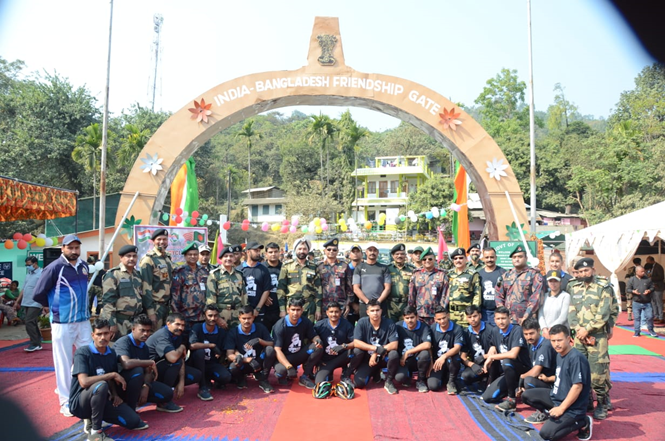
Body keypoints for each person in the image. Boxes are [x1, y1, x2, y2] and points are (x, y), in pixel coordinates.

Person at [33, 234, 92, 417]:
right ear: (63, 248)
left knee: (88, 356)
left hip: (83, 321)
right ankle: (65, 401)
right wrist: (54, 307)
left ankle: (75, 389)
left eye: (76, 248)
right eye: (70, 248)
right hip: (63, 322)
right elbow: (38, 294)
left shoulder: (83, 266)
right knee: (63, 362)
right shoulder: (54, 268)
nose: (74, 251)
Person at [70, 319, 146, 441]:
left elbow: (111, 380)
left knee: (133, 422)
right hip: (80, 402)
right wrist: (111, 375)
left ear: (111, 334)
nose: (102, 337)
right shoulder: (83, 352)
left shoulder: (111, 353)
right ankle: (95, 431)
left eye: (106, 333)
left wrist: (115, 395)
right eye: (99, 334)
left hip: (103, 397)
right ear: (92, 335)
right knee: (100, 385)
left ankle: (98, 415)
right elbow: (84, 382)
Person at [521, 325, 593, 441]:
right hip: (557, 398)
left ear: (569, 339)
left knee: (547, 434)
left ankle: (582, 421)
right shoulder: (560, 354)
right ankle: (551, 415)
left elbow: (577, 386)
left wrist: (561, 408)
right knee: (527, 396)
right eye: (553, 341)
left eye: (559, 340)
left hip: (573, 407)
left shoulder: (576, 358)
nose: (556, 344)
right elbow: (563, 376)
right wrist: (548, 379)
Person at [567, 257, 613, 420]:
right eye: (580, 271)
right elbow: (571, 309)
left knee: (597, 373)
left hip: (596, 336)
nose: (583, 273)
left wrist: (587, 329)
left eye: (586, 270)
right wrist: (577, 328)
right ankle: (586, 400)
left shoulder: (603, 287)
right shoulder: (574, 286)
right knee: (580, 370)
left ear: (593, 270)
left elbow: (604, 313)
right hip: (579, 337)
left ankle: (601, 403)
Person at [114, 315, 178, 413]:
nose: (146, 334)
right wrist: (149, 362)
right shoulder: (123, 342)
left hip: (139, 383)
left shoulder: (144, 346)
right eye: (142, 330)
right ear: (133, 329)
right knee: (137, 370)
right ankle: (131, 409)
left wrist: (146, 386)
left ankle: (138, 399)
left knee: (167, 393)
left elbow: (148, 370)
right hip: (121, 385)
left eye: (148, 331)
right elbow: (126, 363)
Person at [101, 245, 156, 341]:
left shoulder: (138, 275)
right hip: (119, 320)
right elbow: (108, 301)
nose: (132, 258)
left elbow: (143, 296)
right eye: (128, 256)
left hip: (135, 320)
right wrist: (112, 323)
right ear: (121, 258)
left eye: (134, 256)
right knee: (118, 348)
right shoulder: (113, 274)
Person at [481, 307, 531, 412]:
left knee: (507, 361)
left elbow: (513, 354)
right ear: (494, 320)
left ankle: (511, 399)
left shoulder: (517, 330)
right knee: (488, 397)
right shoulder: (495, 331)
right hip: (506, 372)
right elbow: (493, 344)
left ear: (509, 318)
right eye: (498, 319)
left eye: (503, 318)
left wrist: (491, 357)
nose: (501, 321)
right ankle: (512, 386)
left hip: (521, 369)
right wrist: (492, 348)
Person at [146, 313, 203, 403]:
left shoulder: (176, 334)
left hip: (164, 366)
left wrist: (181, 382)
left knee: (196, 375)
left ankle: (171, 388)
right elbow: (173, 358)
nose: (180, 328)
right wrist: (182, 347)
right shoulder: (163, 335)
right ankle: (165, 399)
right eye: (177, 324)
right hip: (150, 372)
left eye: (183, 325)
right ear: (168, 324)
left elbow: (180, 358)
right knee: (174, 363)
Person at [347, 299, 400, 394]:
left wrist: (376, 353)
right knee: (359, 384)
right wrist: (375, 348)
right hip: (368, 359)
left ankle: (389, 381)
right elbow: (356, 342)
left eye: (377, 310)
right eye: (372, 311)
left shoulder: (389, 323)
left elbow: (394, 344)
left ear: (381, 311)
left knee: (394, 354)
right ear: (367, 312)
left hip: (384, 357)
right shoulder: (362, 322)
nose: (375, 313)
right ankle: (375, 373)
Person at [271, 296, 323, 389]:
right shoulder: (280, 325)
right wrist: (288, 366)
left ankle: (305, 376)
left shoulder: (305, 321)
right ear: (288, 310)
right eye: (293, 309)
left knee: (317, 347)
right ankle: (284, 374)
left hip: (298, 354)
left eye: (298, 310)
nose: (295, 313)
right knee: (281, 371)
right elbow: (277, 350)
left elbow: (313, 336)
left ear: (302, 310)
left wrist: (317, 340)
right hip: (283, 357)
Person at [224, 305, 276, 393]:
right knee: (233, 367)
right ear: (239, 318)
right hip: (244, 363)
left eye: (249, 318)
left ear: (253, 317)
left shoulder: (260, 327)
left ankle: (264, 379)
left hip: (259, 362)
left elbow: (271, 344)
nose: (246, 321)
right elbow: (229, 354)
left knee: (270, 350)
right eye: (244, 318)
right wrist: (247, 360)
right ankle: (241, 378)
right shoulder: (233, 332)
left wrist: (259, 341)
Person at [188, 305, 232, 400]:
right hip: (197, 364)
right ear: (204, 316)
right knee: (200, 352)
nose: (213, 318)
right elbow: (192, 345)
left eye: (216, 315)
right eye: (210, 315)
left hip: (212, 363)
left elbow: (226, 350)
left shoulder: (221, 332)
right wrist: (211, 345)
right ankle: (202, 387)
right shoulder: (197, 327)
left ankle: (209, 379)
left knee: (226, 377)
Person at [519, 318, 557, 424]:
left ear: (539, 330)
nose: (528, 337)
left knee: (528, 381)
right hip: (545, 381)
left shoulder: (545, 346)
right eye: (526, 334)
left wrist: (521, 378)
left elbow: (535, 371)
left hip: (554, 385)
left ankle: (544, 411)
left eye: (531, 333)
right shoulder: (532, 345)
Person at [495, 245, 545, 325]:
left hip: (527, 321)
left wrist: (526, 316)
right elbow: (498, 294)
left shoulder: (534, 275)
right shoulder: (506, 275)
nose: (517, 259)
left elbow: (536, 298)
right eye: (514, 257)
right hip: (508, 321)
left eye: (520, 257)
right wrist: (503, 313)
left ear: (526, 258)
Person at [277, 238, 322, 323]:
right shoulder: (287, 266)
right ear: (295, 250)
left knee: (308, 333)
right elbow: (281, 289)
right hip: (292, 307)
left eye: (304, 249)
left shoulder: (313, 267)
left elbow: (318, 290)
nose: (302, 251)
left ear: (308, 251)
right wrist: (282, 309)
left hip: (309, 307)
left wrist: (318, 309)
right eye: (299, 249)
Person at [171, 243, 208, 341]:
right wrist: (177, 317)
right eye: (190, 254)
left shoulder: (204, 271)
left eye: (195, 254)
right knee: (185, 344)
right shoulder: (180, 272)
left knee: (199, 345)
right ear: (185, 256)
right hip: (186, 317)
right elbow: (175, 296)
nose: (193, 256)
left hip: (202, 316)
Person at [460, 305, 500, 392]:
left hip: (490, 363)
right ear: (466, 318)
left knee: (494, 362)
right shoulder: (465, 333)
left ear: (480, 315)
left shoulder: (491, 330)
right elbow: (462, 357)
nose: (473, 319)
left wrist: (484, 357)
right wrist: (472, 365)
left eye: (475, 316)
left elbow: (496, 351)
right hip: (477, 364)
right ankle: (481, 378)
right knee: (465, 377)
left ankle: (489, 379)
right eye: (469, 317)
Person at [139, 228, 174, 327]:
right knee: (154, 336)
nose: (162, 242)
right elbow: (146, 287)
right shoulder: (148, 260)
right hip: (155, 307)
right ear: (153, 241)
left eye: (164, 239)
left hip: (166, 306)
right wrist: (150, 312)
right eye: (159, 239)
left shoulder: (167, 258)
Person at [313, 302, 355, 384]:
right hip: (325, 360)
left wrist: (343, 346)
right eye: (331, 312)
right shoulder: (319, 325)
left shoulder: (347, 325)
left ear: (340, 312)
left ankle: (346, 373)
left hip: (342, 358)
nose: (334, 314)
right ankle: (327, 371)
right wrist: (317, 360)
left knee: (356, 350)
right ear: (327, 313)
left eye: (336, 312)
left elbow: (356, 342)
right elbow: (312, 339)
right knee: (319, 382)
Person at [206, 246, 246, 328]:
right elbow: (211, 299)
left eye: (231, 256)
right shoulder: (214, 274)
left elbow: (244, 296)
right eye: (225, 256)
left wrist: (245, 314)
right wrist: (217, 318)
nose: (228, 258)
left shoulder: (239, 274)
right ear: (220, 259)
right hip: (221, 313)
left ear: (234, 258)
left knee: (236, 338)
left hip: (237, 314)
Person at [427, 305, 465, 394]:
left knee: (455, 356)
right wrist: (431, 362)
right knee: (433, 386)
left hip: (450, 361)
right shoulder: (432, 328)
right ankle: (444, 377)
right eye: (439, 319)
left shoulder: (457, 328)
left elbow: (457, 347)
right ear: (435, 319)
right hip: (437, 363)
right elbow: (429, 347)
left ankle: (451, 381)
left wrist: (444, 356)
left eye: (444, 318)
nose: (442, 321)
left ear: (448, 315)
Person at [395, 306, 432, 393]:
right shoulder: (397, 326)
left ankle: (420, 380)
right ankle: (407, 376)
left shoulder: (424, 327)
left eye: (412, 317)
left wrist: (408, 352)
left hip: (417, 360)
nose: (410, 320)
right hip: (403, 361)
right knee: (399, 378)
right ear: (403, 318)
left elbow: (427, 344)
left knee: (425, 354)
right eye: (407, 318)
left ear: (417, 317)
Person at [408, 247, 447, 325]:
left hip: (436, 315)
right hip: (420, 314)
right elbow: (411, 296)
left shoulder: (442, 275)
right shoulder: (416, 274)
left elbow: (445, 295)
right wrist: (411, 312)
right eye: (424, 259)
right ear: (421, 261)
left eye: (430, 259)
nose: (427, 261)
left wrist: (442, 313)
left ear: (434, 259)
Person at [353, 242, 391, 318]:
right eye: (370, 250)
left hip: (380, 304)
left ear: (378, 252)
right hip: (364, 304)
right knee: (365, 327)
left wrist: (378, 302)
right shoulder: (359, 268)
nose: (372, 252)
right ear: (366, 252)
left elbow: (387, 288)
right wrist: (367, 302)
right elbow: (356, 288)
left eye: (375, 250)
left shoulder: (384, 268)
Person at [446, 248, 482, 327]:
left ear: (466, 259)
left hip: (466, 314)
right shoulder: (449, 274)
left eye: (461, 258)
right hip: (451, 314)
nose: (458, 260)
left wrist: (473, 313)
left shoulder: (472, 274)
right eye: (455, 258)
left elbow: (477, 294)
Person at [238, 242, 272, 321]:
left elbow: (266, 290)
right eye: (256, 251)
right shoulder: (239, 269)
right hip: (243, 312)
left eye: (259, 251)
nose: (258, 253)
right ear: (248, 252)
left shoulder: (263, 270)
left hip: (258, 312)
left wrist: (257, 308)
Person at [16, 256, 44, 351]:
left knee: (28, 321)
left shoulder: (41, 273)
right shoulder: (28, 275)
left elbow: (44, 288)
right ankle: (38, 341)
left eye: (29, 265)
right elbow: (23, 289)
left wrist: (44, 303)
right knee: (33, 322)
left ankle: (34, 343)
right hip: (26, 301)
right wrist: (17, 301)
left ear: (35, 264)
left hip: (36, 302)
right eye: (26, 265)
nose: (27, 266)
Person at [317, 238, 353, 314]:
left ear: (338, 251)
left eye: (334, 250)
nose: (331, 251)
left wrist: (348, 304)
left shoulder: (344, 266)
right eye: (329, 249)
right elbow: (316, 288)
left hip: (340, 305)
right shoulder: (319, 267)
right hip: (324, 305)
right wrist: (317, 308)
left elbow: (349, 288)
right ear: (324, 251)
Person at [387, 243, 416, 322]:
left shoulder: (412, 269)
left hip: (406, 305)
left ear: (405, 255)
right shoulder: (387, 269)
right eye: (397, 254)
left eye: (402, 254)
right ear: (393, 256)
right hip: (390, 305)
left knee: (405, 328)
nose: (399, 256)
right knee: (390, 328)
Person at [477, 247, 506, 326]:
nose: (489, 259)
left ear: (496, 258)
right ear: (483, 258)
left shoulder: (503, 273)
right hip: (483, 312)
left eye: (492, 257)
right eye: (487, 257)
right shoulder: (479, 274)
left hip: (498, 312)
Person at [538, 270, 571, 339]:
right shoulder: (544, 296)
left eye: (555, 281)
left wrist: (551, 329)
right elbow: (540, 314)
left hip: (560, 333)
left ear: (560, 282)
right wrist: (544, 329)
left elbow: (563, 317)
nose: (553, 283)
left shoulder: (565, 296)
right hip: (545, 333)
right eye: (550, 281)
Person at [626, 265, 657, 337]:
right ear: (637, 272)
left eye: (644, 271)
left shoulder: (647, 279)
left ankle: (651, 330)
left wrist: (649, 290)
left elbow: (652, 287)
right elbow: (627, 289)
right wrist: (633, 291)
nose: (643, 273)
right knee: (637, 318)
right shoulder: (632, 279)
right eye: (642, 271)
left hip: (647, 302)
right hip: (636, 302)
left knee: (650, 317)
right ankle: (637, 332)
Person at [260, 242, 282, 332]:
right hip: (265, 309)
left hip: (280, 308)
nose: (273, 254)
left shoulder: (285, 267)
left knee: (280, 334)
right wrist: (264, 297)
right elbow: (257, 285)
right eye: (270, 252)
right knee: (265, 334)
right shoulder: (261, 268)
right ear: (266, 254)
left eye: (275, 251)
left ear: (279, 253)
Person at [345, 245, 363, 325]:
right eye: (353, 252)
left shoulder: (366, 268)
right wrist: (352, 304)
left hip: (363, 304)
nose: (355, 254)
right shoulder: (344, 268)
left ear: (362, 254)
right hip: (349, 305)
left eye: (357, 251)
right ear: (349, 254)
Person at [646, 256, 664, 323]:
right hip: (653, 287)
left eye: (648, 262)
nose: (647, 263)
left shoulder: (658, 267)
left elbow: (661, 277)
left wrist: (651, 278)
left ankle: (661, 317)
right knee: (653, 302)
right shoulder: (653, 267)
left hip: (658, 287)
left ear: (651, 261)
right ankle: (656, 316)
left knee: (659, 302)